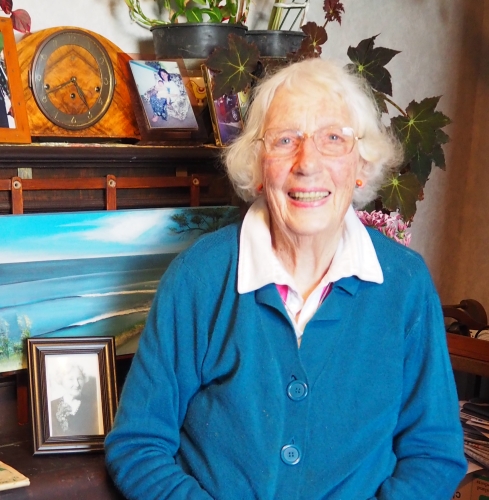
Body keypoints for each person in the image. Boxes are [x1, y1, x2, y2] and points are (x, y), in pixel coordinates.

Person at [105, 58, 466, 499]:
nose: (307, 163)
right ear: (258, 167)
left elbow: (434, 453)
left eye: (333, 138)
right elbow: (138, 444)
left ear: (360, 164)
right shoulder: (198, 278)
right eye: (285, 139)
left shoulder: (405, 285)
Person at [50, 361, 100, 436]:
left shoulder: (94, 405)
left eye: (79, 379)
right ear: (61, 381)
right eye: (70, 379)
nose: (76, 384)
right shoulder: (52, 406)